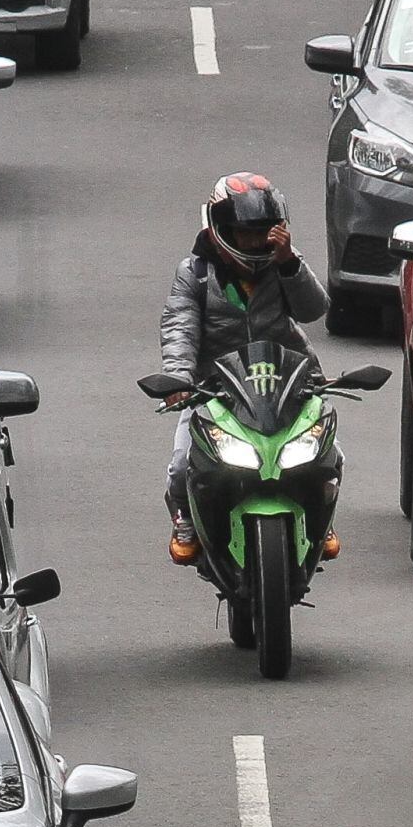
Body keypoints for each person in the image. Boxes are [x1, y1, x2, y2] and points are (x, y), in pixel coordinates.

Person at [158, 173, 332, 564]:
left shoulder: (284, 265)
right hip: (216, 388)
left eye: (264, 232)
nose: (256, 242)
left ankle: (321, 519)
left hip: (287, 380)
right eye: (245, 234)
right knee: (182, 464)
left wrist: (290, 265)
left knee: (329, 452)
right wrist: (180, 378)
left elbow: (313, 310)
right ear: (222, 231)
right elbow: (179, 327)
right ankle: (185, 516)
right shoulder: (195, 273)